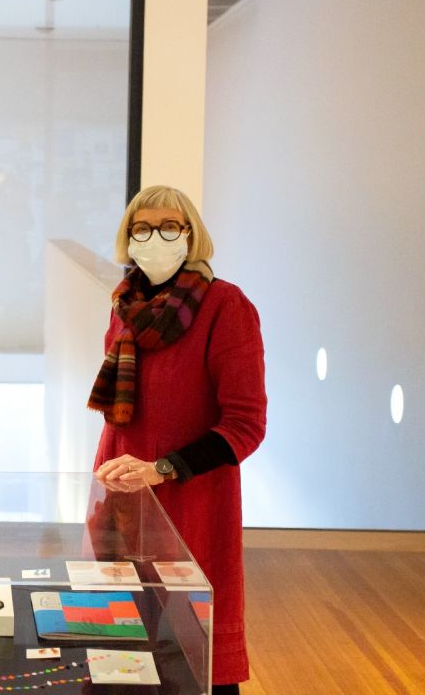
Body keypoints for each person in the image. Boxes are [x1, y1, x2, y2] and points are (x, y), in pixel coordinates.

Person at [89, 185, 266, 694]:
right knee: (118, 659)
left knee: (190, 660)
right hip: (120, 502)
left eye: (171, 227)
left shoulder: (226, 306)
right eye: (142, 229)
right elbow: (121, 418)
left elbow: (245, 425)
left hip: (189, 507)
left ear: (192, 235)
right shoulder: (124, 304)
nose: (155, 238)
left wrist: (161, 469)